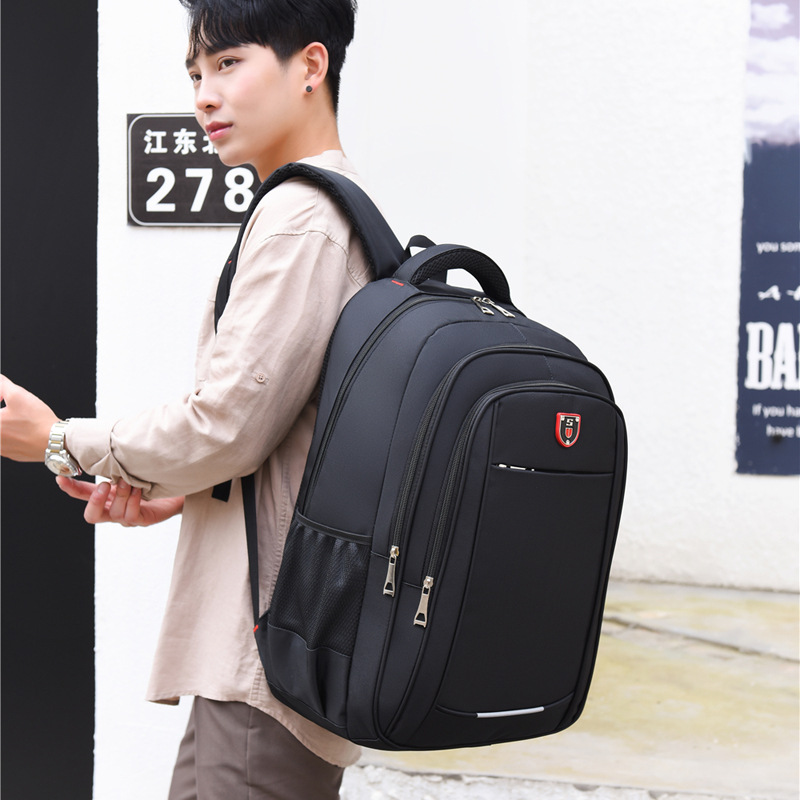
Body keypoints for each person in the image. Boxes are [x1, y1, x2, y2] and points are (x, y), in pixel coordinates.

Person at [0, 0, 369, 796]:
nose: (205, 95)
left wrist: (59, 440)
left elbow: (225, 425)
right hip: (259, 650)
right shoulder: (316, 209)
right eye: (196, 73)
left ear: (311, 66)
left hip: (262, 659)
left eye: (229, 63)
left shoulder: (302, 219)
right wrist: (191, 491)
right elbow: (279, 433)